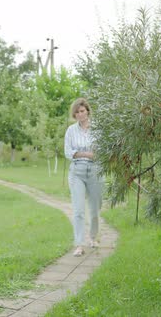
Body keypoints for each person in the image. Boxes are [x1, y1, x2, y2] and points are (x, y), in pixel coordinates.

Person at [64, 97, 103, 257]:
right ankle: (79, 244)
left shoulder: (98, 130)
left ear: (87, 111)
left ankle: (93, 238)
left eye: (82, 111)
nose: (80, 114)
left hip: (95, 171)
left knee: (95, 209)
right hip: (77, 172)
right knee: (78, 210)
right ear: (74, 115)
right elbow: (68, 152)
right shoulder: (71, 131)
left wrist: (79, 152)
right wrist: (87, 153)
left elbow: (100, 153)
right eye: (77, 112)